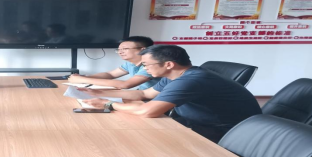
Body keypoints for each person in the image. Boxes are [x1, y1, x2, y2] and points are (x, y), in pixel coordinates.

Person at [82, 45, 262, 143]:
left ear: (168, 64)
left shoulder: (191, 80)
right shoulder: (175, 75)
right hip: (192, 121)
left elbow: (148, 111)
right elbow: (145, 94)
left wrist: (108, 104)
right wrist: (95, 92)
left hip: (222, 131)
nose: (143, 68)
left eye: (146, 64)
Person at [67, 36, 159, 90]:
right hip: (141, 95)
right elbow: (110, 74)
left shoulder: (151, 65)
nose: (120, 52)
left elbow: (126, 85)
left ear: (142, 50)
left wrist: (83, 80)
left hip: (154, 100)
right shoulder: (130, 63)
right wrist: (85, 77)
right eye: (118, 49)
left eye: (125, 49)